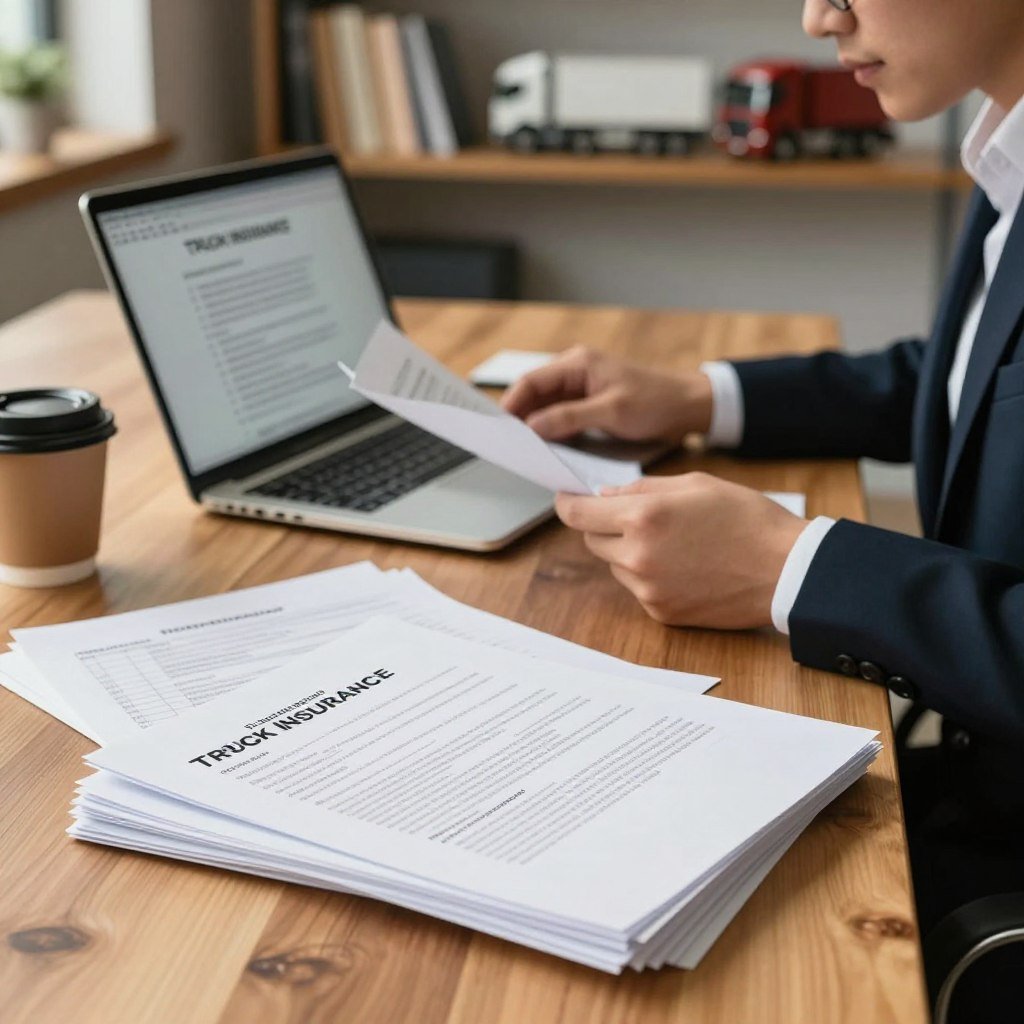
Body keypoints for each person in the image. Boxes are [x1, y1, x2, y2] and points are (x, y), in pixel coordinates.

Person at [503, 1, 1024, 1018]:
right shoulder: (1005, 141)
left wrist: (793, 567)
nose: (816, 13)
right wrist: (701, 395)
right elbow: (962, 381)